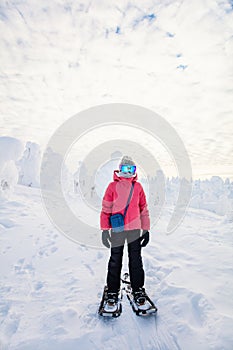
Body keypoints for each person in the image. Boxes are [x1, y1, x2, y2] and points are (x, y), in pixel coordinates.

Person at [100, 155, 150, 305]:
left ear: (134, 171)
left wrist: (145, 229)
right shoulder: (112, 186)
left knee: (136, 260)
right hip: (117, 230)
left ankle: (138, 288)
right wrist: (104, 229)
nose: (127, 172)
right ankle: (112, 290)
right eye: (124, 168)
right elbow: (106, 209)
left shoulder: (138, 187)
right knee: (115, 260)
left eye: (131, 169)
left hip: (134, 230)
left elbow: (143, 209)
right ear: (119, 169)